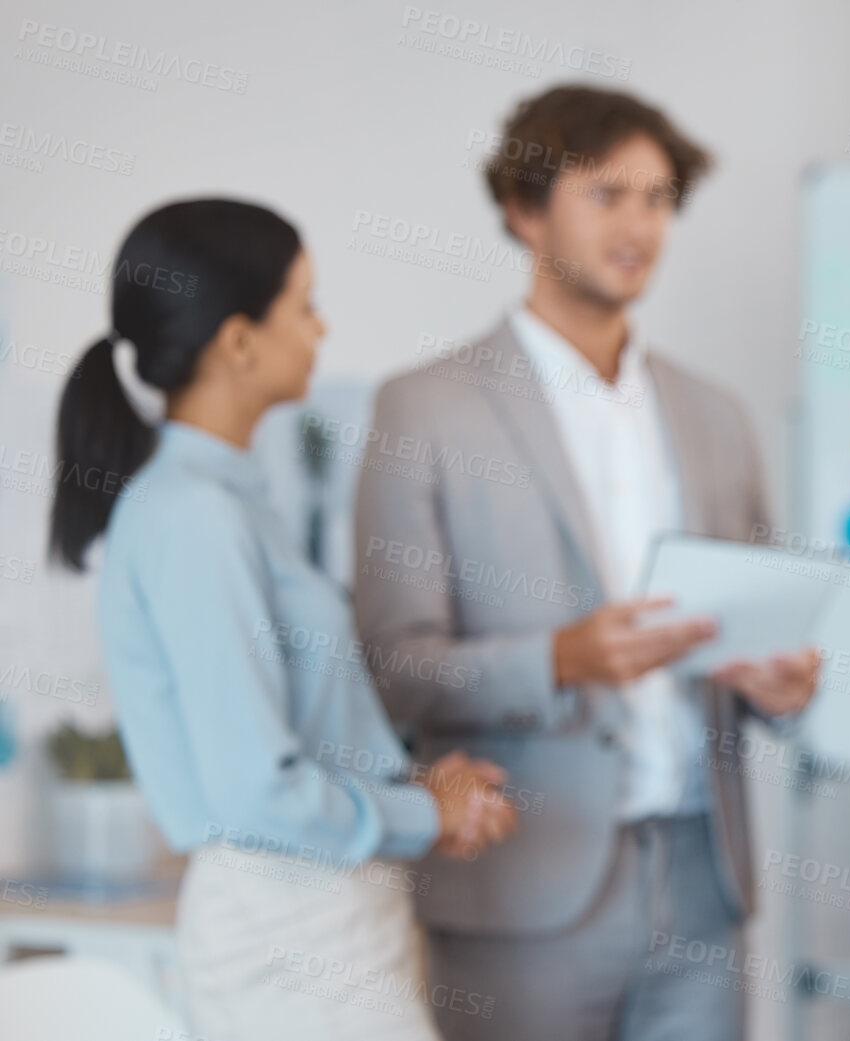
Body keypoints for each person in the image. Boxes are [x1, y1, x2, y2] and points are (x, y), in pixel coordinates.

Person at [351, 85, 819, 1041]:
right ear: (525, 211)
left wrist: (780, 680)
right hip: (521, 878)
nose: (640, 224)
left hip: (702, 876)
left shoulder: (715, 414)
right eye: (607, 194)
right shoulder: (425, 410)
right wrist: (561, 659)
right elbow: (395, 669)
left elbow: (758, 622)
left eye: (657, 198)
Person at [49, 198, 516, 1041]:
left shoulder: (229, 499)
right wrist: (426, 813)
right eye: (303, 305)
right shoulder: (193, 515)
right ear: (237, 340)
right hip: (289, 922)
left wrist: (415, 790)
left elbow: (287, 744)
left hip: (322, 904)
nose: (320, 327)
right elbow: (253, 788)